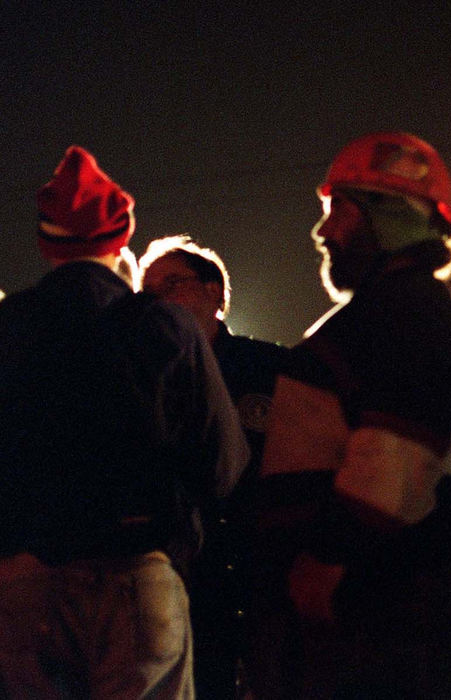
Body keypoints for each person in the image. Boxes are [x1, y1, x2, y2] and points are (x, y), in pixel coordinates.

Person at [255, 132, 451, 698]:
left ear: (388, 217)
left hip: (402, 610)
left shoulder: (406, 313)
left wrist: (320, 566)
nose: (323, 232)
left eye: (337, 211)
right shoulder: (398, 313)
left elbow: (396, 463)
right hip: (401, 605)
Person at [0, 146, 248, 698]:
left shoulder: (9, 327)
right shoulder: (165, 328)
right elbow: (223, 464)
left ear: (47, 243)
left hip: (23, 582)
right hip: (138, 578)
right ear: (120, 240)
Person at [139, 235, 289, 698]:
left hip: (269, 578)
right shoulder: (144, 382)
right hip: (192, 589)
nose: (159, 301)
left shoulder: (271, 368)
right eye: (148, 293)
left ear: (215, 293)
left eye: (173, 284)